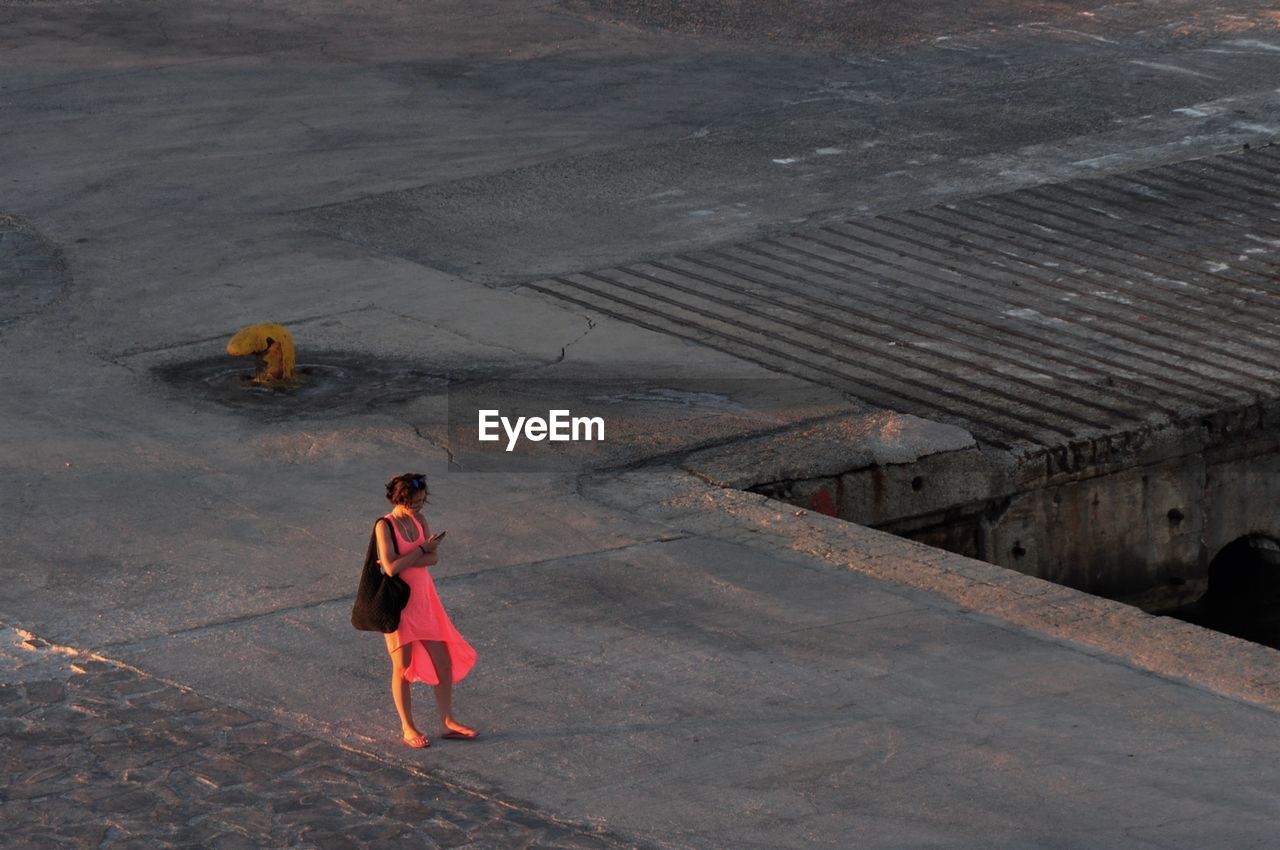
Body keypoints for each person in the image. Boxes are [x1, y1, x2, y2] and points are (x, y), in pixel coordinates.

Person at [376, 473, 478, 748]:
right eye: (415, 502)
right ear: (399, 499)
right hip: (400, 606)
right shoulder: (385, 526)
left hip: (425, 601)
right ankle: (408, 727)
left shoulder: (419, 520)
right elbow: (390, 567)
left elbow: (434, 559)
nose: (420, 507)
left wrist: (416, 555)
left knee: (443, 662)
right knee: (402, 668)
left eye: (422, 501)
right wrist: (421, 549)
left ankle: (448, 721)